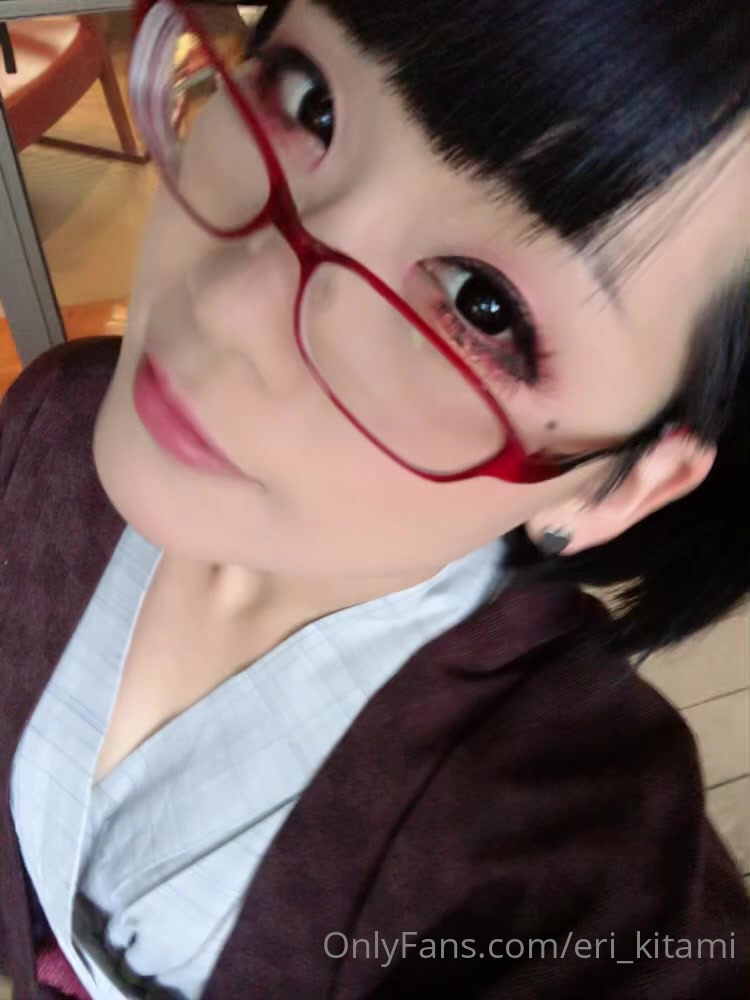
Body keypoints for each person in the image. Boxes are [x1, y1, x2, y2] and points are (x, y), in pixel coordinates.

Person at [0, 0, 748, 996]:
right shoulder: (52, 422)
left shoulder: (568, 851)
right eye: (310, 100)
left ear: (627, 485)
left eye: (484, 306)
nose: (230, 304)